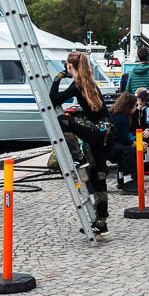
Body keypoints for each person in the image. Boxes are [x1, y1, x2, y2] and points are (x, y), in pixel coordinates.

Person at [51, 51, 112, 237]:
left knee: (62, 120)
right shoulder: (89, 82)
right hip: (106, 131)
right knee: (98, 176)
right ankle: (101, 222)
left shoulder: (77, 84)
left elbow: (54, 100)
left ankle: (78, 157)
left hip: (97, 132)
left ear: (70, 66)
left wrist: (57, 78)